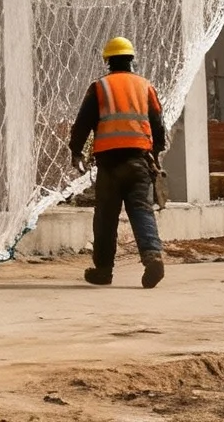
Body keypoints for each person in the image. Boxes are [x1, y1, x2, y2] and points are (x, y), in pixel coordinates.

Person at [69, 34, 167, 288]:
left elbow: (83, 124)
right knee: (141, 210)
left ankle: (103, 270)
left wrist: (76, 151)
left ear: (108, 61)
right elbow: (158, 124)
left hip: (110, 164)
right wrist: (156, 154)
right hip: (138, 161)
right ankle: (152, 256)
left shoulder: (100, 87)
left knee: (106, 217)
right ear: (131, 60)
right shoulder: (145, 86)